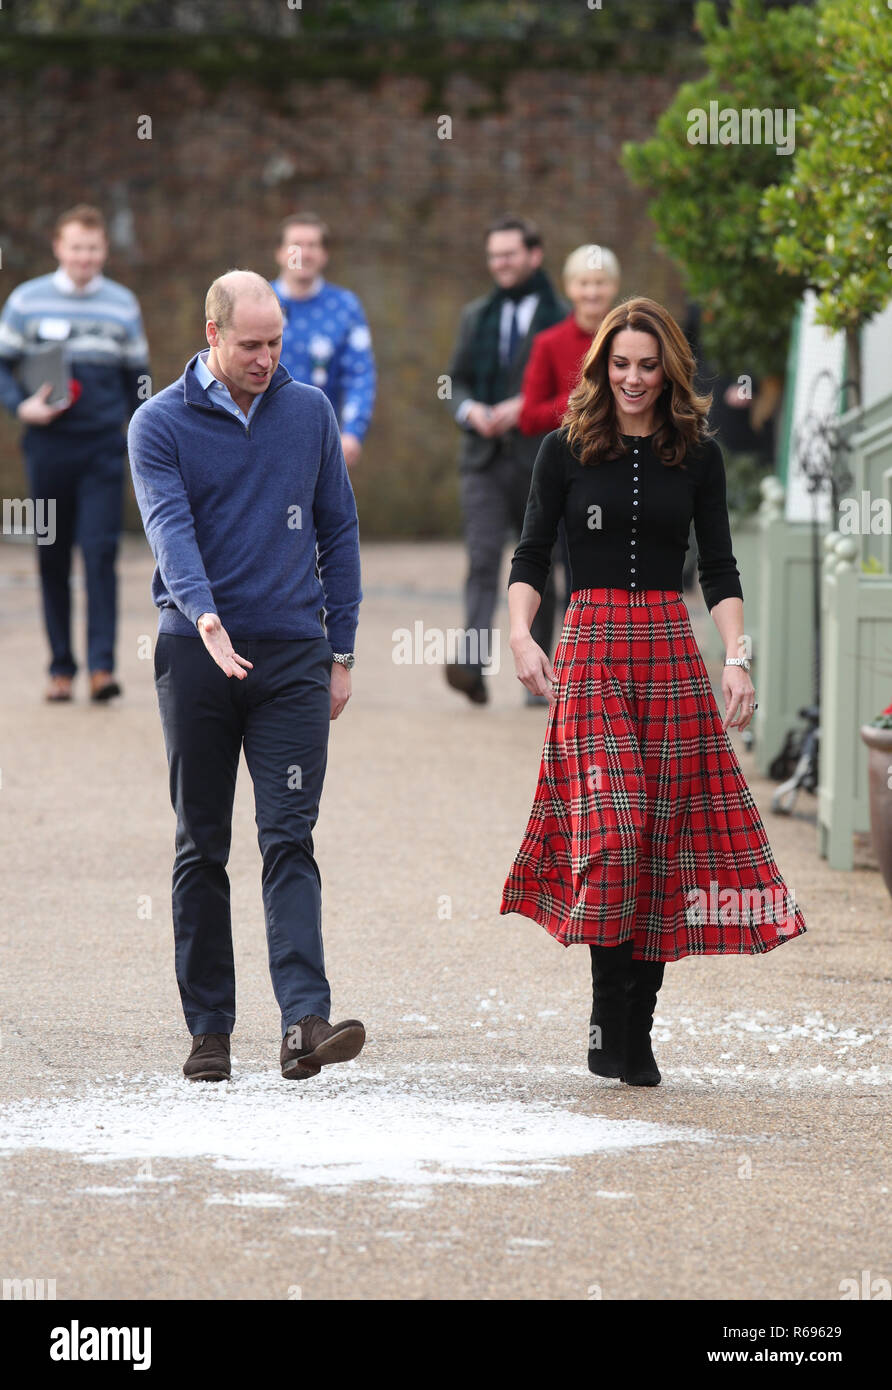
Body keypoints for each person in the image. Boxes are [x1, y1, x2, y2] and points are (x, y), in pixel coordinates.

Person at [500, 297, 806, 1087]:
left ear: (669, 368)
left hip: (670, 652)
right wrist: (520, 633)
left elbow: (721, 568)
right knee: (618, 832)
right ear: (602, 366)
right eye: (620, 364)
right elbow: (531, 555)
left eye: (647, 365)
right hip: (594, 652)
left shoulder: (697, 455)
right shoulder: (564, 449)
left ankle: (638, 1025)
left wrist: (738, 657)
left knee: (662, 845)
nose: (633, 379)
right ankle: (608, 1008)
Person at [127, 269, 365, 1084]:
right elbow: (169, 527)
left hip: (293, 656)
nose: (267, 359)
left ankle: (305, 1021)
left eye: (276, 345)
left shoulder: (310, 413)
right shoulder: (158, 424)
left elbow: (339, 530)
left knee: (289, 837)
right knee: (202, 842)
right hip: (196, 653)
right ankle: (210, 1030)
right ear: (213, 333)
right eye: (252, 345)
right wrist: (203, 615)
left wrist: (343, 653)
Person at [0, 203, 150, 703]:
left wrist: (144, 434)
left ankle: (102, 670)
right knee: (51, 556)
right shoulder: (26, 301)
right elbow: (3, 365)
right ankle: (61, 669)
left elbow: (140, 381)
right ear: (59, 248)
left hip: (104, 450)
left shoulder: (123, 305)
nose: (84, 256)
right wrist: (20, 406)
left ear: (103, 250)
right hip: (46, 449)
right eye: (76, 247)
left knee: (101, 553)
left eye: (93, 248)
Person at [442, 215, 568, 706]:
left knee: (541, 563)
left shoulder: (562, 315)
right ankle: (472, 666)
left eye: (509, 254)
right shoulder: (476, 315)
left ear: (534, 256)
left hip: (541, 459)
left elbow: (573, 387)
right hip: (482, 458)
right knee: (480, 560)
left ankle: (540, 675)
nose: (500, 264)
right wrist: (470, 410)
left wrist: (522, 409)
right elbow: (454, 381)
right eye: (494, 255)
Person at [519, 243, 621, 610]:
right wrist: (584, 398)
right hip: (573, 474)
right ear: (569, 288)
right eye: (584, 283)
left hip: (628, 470)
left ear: (614, 286)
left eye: (600, 283)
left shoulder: (632, 341)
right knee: (576, 576)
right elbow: (529, 415)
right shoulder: (549, 343)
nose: (592, 292)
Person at [271, 212, 375, 469]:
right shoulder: (255, 301)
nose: (304, 253)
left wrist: (352, 432)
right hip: (259, 438)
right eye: (297, 245)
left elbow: (360, 374)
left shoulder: (345, 306)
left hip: (322, 444)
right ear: (280, 252)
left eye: (313, 245)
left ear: (324, 255)